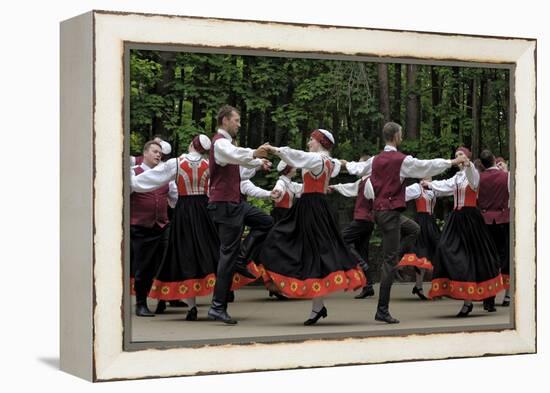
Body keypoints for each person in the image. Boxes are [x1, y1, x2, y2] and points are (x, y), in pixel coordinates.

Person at [341, 122, 466, 324]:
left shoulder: (375, 160)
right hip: (389, 214)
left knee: (414, 229)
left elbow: (358, 168)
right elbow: (426, 165)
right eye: (400, 134)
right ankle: (382, 309)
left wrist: (345, 164)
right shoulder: (401, 160)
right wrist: (452, 162)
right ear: (397, 137)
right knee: (388, 262)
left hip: (383, 212)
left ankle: (398, 256)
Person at [260, 129, 366, 325]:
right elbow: (340, 167)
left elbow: (297, 156)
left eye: (311, 139)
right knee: (314, 252)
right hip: (315, 205)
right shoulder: (330, 162)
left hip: (312, 207)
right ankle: (317, 307)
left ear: (320, 142)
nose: (309, 142)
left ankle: (316, 306)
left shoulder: (317, 159)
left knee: (304, 248)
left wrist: (274, 150)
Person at [131, 135, 221, 321]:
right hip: (202, 212)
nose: (158, 154)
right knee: (207, 252)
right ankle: (218, 300)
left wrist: (133, 181)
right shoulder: (208, 164)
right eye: (154, 151)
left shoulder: (177, 163)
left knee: (182, 255)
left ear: (191, 145)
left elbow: (159, 185)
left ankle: (184, 304)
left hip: (182, 213)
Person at [207, 105, 274, 324]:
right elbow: (235, 155)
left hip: (234, 203)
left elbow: (239, 166)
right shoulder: (220, 143)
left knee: (265, 221)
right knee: (227, 255)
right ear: (225, 120)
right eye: (236, 120)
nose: (239, 124)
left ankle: (241, 259)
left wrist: (257, 162)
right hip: (225, 205)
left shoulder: (227, 145)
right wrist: (255, 153)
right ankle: (218, 306)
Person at [425, 147, 504, 316]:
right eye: (455, 156)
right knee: (444, 247)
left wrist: (468, 164)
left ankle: (468, 302)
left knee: (472, 257)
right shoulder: (456, 178)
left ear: (467, 157)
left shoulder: (472, 173)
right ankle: (455, 287)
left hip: (470, 219)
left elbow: (473, 179)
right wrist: (429, 184)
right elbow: (444, 187)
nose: (458, 157)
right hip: (456, 218)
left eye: (460, 155)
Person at [130, 141, 178, 317]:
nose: (158, 155)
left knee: (166, 262)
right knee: (144, 266)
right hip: (141, 226)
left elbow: (175, 199)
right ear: (145, 153)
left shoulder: (165, 176)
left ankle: (163, 299)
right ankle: (141, 303)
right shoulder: (133, 173)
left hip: (162, 225)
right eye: (154, 151)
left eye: (160, 153)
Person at [329, 155, 375, 299]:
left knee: (340, 240)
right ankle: (368, 286)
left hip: (363, 220)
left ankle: (361, 264)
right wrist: (334, 187)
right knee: (362, 250)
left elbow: (374, 197)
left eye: (361, 165)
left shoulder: (370, 181)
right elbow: (350, 188)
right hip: (366, 221)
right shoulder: (362, 181)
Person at [396, 179, 441, 300]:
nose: (429, 177)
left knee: (437, 252)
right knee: (421, 254)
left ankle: (436, 287)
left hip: (431, 222)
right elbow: (402, 194)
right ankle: (419, 285)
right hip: (422, 222)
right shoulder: (417, 188)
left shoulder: (434, 188)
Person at [478, 149, 511, 306]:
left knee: (488, 258)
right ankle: (507, 295)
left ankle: (489, 297)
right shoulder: (506, 176)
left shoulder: (479, 178)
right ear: (493, 159)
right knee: (505, 257)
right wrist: (505, 171)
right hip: (503, 220)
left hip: (485, 221)